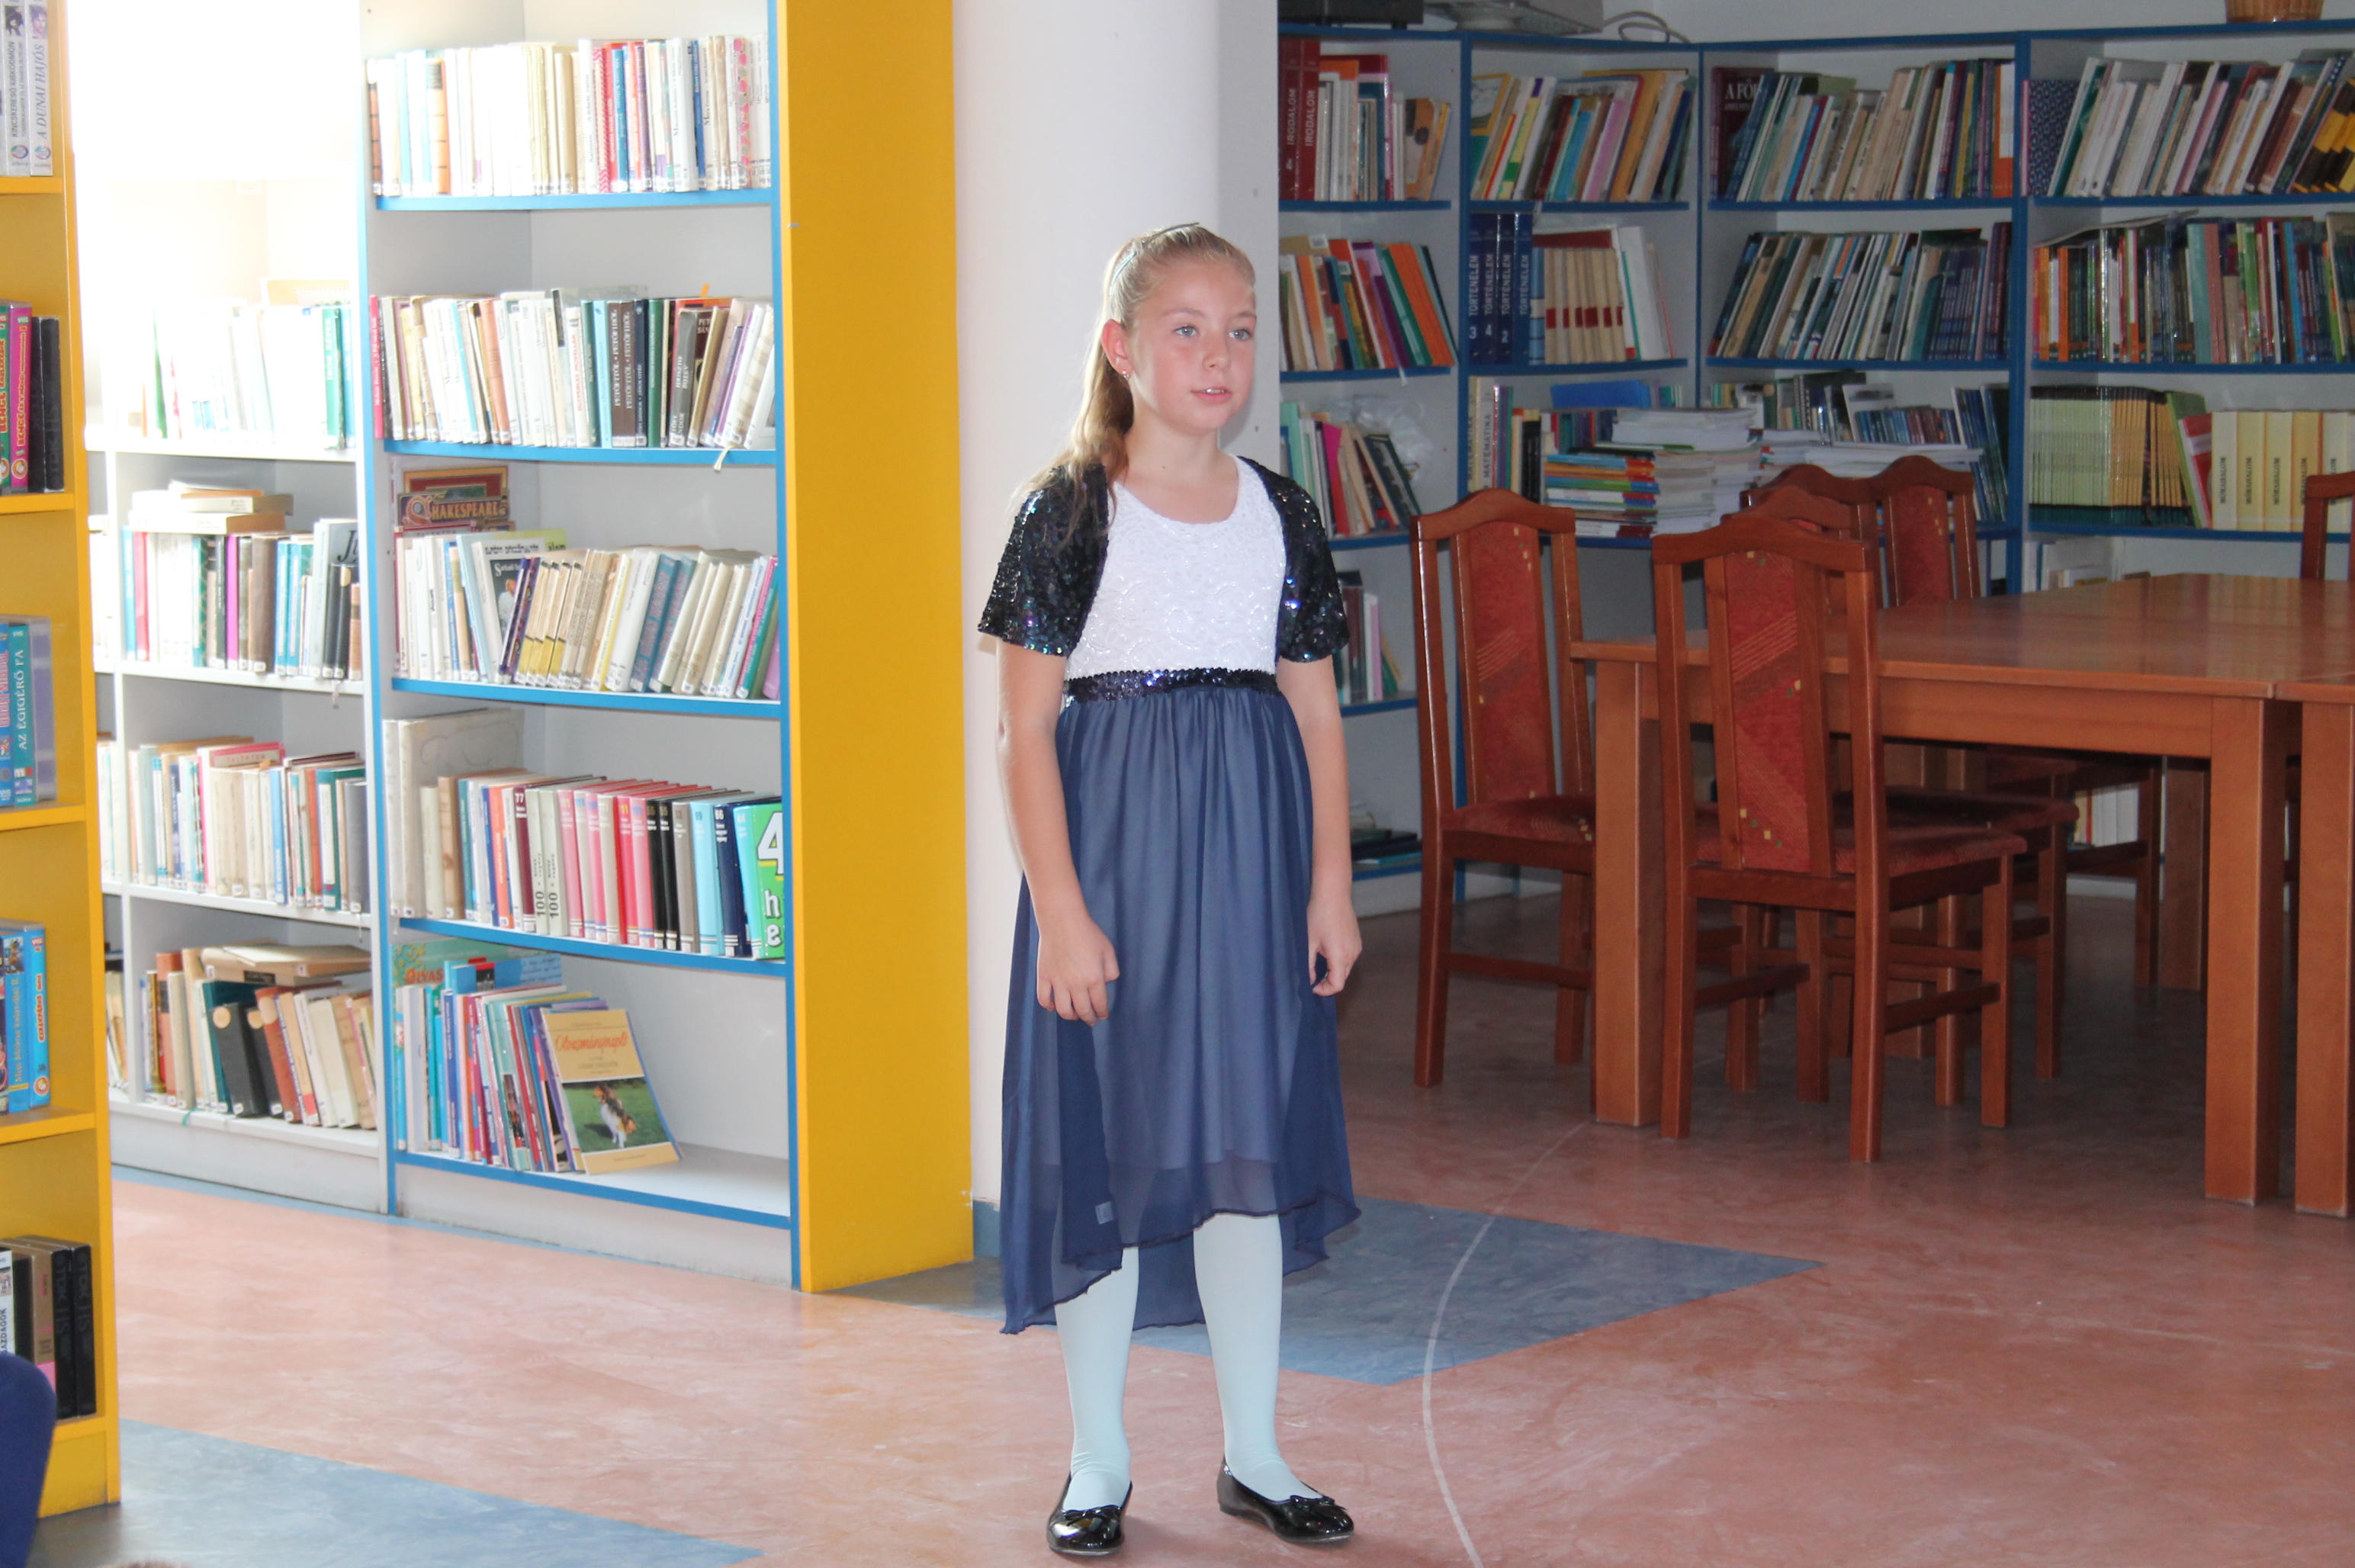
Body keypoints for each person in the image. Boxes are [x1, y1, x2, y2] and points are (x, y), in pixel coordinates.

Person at [980, 223, 1363, 1557]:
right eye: (1187, 329)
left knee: (1245, 1146)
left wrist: (1331, 888)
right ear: (1122, 348)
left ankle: (1257, 1455)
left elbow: (1316, 714)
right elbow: (1025, 729)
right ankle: (1098, 1461)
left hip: (1254, 863)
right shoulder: (1070, 510)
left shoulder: (1284, 513)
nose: (1218, 356)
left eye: (1240, 329)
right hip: (1116, 865)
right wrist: (1063, 911)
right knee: (1111, 1146)